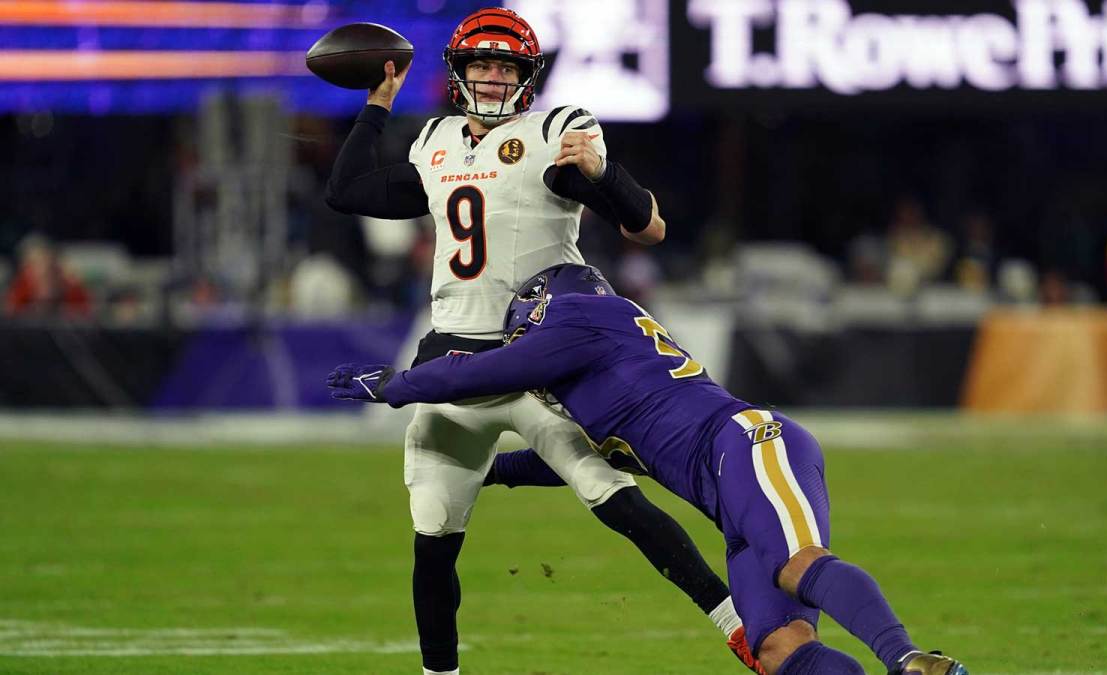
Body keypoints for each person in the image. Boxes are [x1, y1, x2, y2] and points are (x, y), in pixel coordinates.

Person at [323, 8, 758, 674]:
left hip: (536, 356)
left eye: (506, 66)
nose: (493, 77)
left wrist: (604, 175)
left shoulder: (553, 132)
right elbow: (347, 191)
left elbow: (648, 227)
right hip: (448, 355)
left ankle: (741, 631)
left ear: (528, 77)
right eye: (482, 65)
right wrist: (377, 102)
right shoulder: (436, 141)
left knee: (616, 497)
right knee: (434, 540)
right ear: (459, 73)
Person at [327, 263, 969, 675]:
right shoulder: (603, 379)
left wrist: (397, 384)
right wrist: (487, 473)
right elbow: (575, 460)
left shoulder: (586, 316)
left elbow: (489, 370)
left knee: (795, 564)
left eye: (525, 325)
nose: (522, 337)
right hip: (727, 500)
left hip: (749, 445)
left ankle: (907, 658)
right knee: (777, 651)